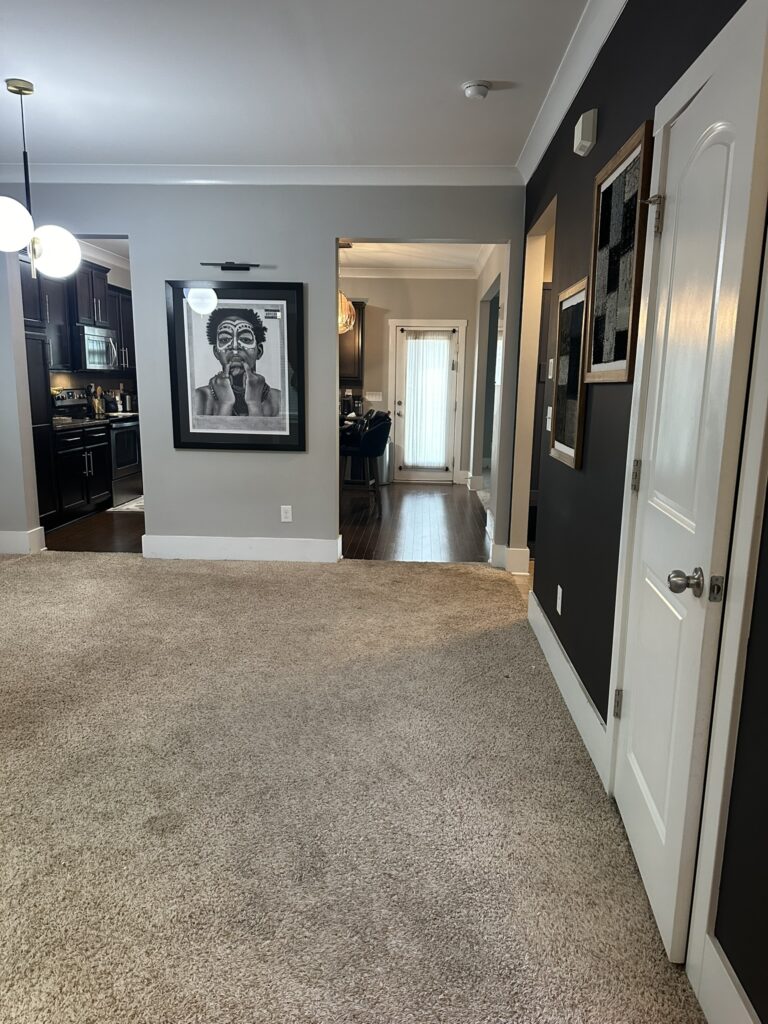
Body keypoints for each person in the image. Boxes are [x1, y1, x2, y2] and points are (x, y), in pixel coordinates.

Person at [194, 308, 281, 417]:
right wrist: (225, 404)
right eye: (225, 340)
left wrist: (254, 404)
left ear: (259, 351)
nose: (235, 347)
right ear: (216, 352)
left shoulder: (278, 400)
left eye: (245, 339)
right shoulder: (200, 398)